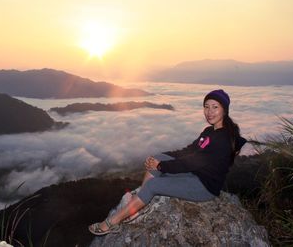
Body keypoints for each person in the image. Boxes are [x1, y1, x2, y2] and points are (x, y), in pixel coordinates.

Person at [89, 89, 247, 235]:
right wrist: (162, 157)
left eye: (215, 107)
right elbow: (189, 151)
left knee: (153, 184)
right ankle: (142, 199)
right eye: (206, 107)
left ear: (224, 110)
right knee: (159, 158)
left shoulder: (222, 139)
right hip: (196, 174)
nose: (209, 112)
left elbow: (191, 163)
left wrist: (161, 166)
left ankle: (112, 223)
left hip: (204, 187)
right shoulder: (209, 132)